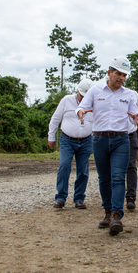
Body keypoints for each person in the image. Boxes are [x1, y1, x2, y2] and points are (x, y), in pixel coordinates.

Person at [76, 56, 138, 236]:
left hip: (121, 140)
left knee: (118, 178)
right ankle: (106, 212)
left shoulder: (129, 95)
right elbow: (81, 107)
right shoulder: (95, 91)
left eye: (124, 75)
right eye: (118, 73)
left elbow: (135, 115)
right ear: (109, 72)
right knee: (104, 178)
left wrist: (135, 119)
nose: (122, 78)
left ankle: (116, 215)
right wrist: (80, 111)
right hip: (99, 140)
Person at [48, 79, 95, 209]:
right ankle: (61, 197)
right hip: (67, 140)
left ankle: (79, 198)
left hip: (86, 141)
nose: (84, 99)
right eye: (82, 95)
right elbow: (55, 119)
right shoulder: (66, 100)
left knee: (83, 170)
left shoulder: (93, 104)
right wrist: (51, 137)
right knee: (64, 166)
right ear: (77, 91)